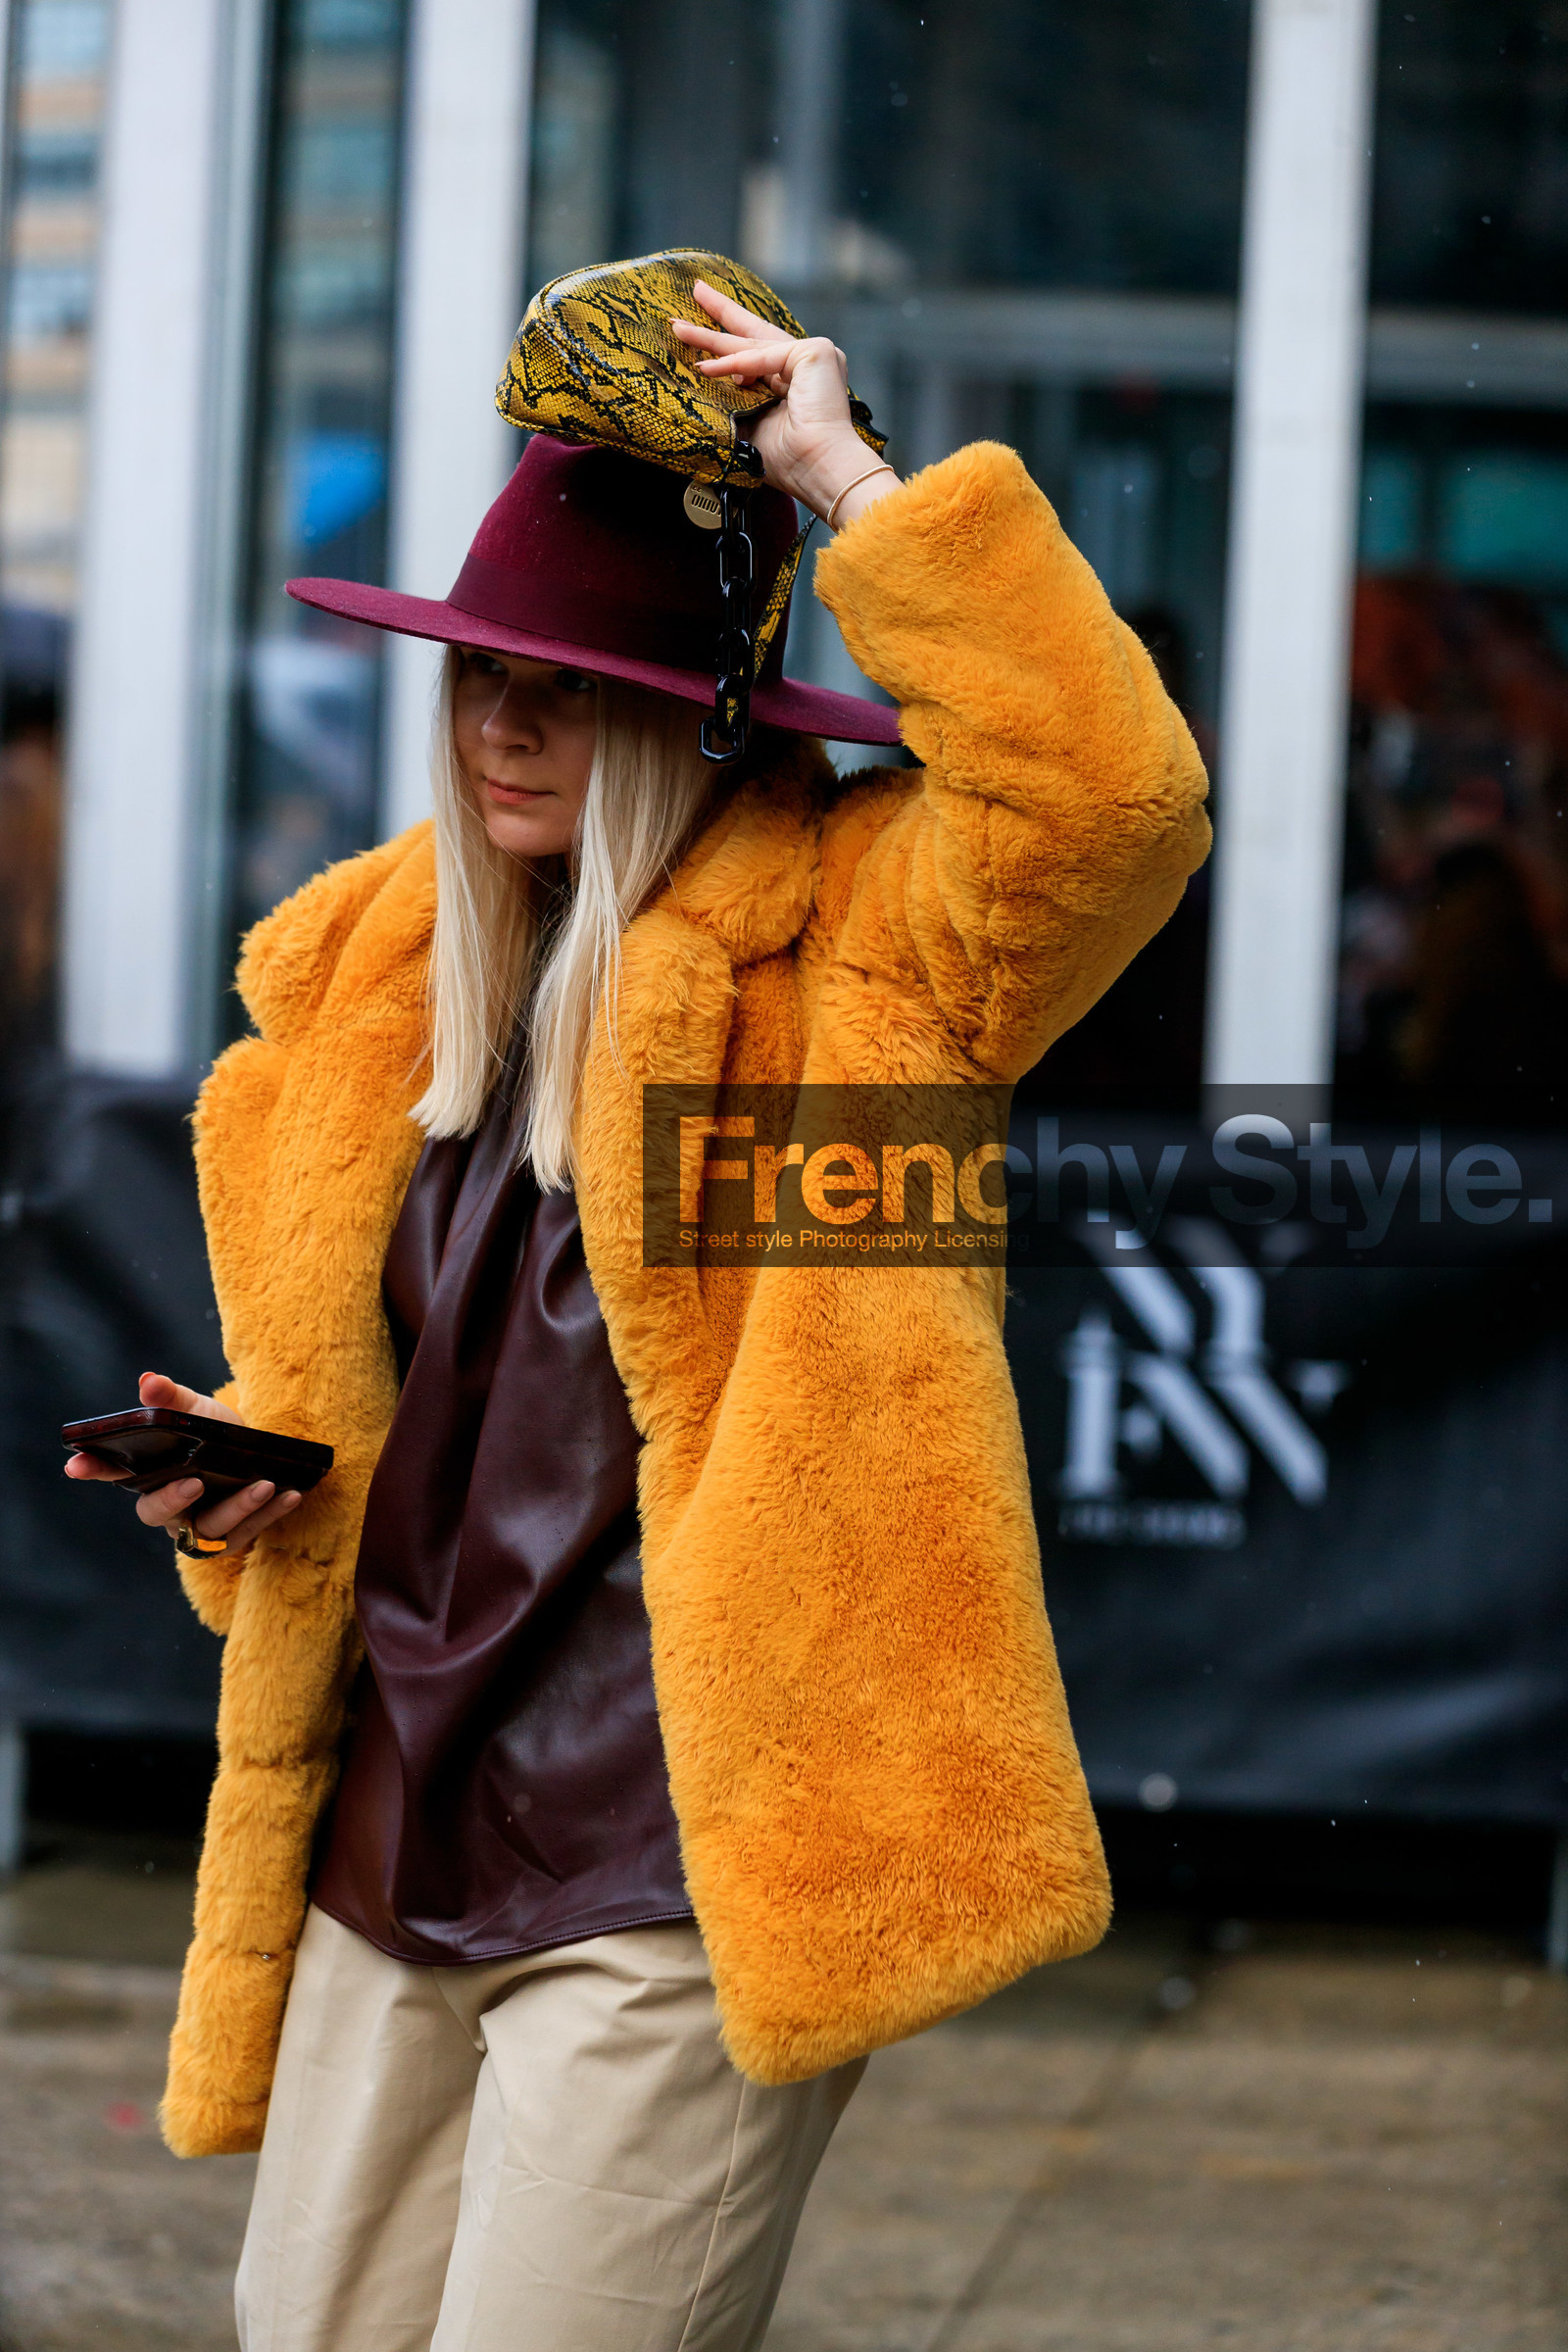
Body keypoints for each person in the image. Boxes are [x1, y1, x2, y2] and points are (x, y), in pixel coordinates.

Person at [67, 281, 1210, 2352]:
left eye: (569, 686)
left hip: (676, 1859)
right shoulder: (366, 986)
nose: (505, 723)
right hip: (386, 1832)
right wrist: (251, 1486)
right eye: (480, 674)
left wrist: (844, 484)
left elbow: (1104, 807)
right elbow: (402, 1415)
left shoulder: (864, 954)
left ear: (691, 711)